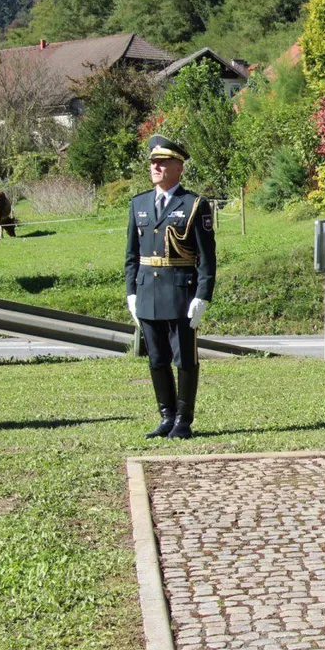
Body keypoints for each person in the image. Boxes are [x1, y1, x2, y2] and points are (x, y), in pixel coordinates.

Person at [125, 134, 216, 440]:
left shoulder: (193, 205)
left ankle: (184, 420)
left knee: (185, 359)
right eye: (153, 163)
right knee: (156, 359)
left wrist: (202, 296)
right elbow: (131, 254)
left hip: (180, 292)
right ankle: (166, 416)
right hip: (147, 292)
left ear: (178, 167)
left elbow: (207, 256)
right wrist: (131, 291)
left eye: (163, 163)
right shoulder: (138, 203)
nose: (156, 168)